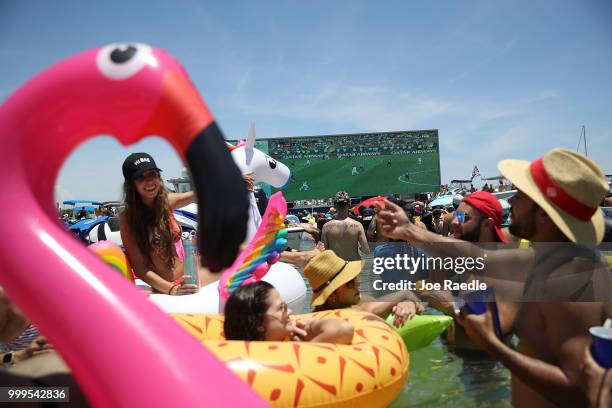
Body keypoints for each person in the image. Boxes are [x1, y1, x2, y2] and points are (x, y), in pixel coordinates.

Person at [375, 148, 612, 407]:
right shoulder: (552, 259)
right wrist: (409, 230)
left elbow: (582, 391)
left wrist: (493, 345)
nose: (510, 202)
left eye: (520, 195)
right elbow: (477, 256)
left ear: (544, 214)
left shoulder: (568, 279)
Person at [119, 152, 202, 295]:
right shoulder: (127, 218)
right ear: (131, 185)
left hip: (187, 274)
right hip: (168, 286)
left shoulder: (165, 203)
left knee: (237, 251)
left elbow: (199, 194)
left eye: (153, 174)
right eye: (141, 177)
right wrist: (172, 290)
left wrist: (235, 181)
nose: (150, 181)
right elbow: (140, 268)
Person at [304, 250, 424, 328]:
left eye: (355, 279)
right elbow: (372, 309)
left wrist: (407, 302)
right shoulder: (321, 322)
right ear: (331, 296)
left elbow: (377, 304)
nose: (358, 284)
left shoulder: (354, 299)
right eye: (350, 283)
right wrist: (406, 296)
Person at [223, 281, 354, 344]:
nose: (290, 311)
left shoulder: (289, 340)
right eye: (282, 308)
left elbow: (343, 329)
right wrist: (302, 352)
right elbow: (344, 329)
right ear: (258, 323)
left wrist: (312, 325)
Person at [321, 191, 370, 261]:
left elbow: (323, 252)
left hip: (336, 266)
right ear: (349, 204)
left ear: (335, 206)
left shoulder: (326, 227)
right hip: (354, 266)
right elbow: (366, 251)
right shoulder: (357, 225)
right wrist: (358, 245)